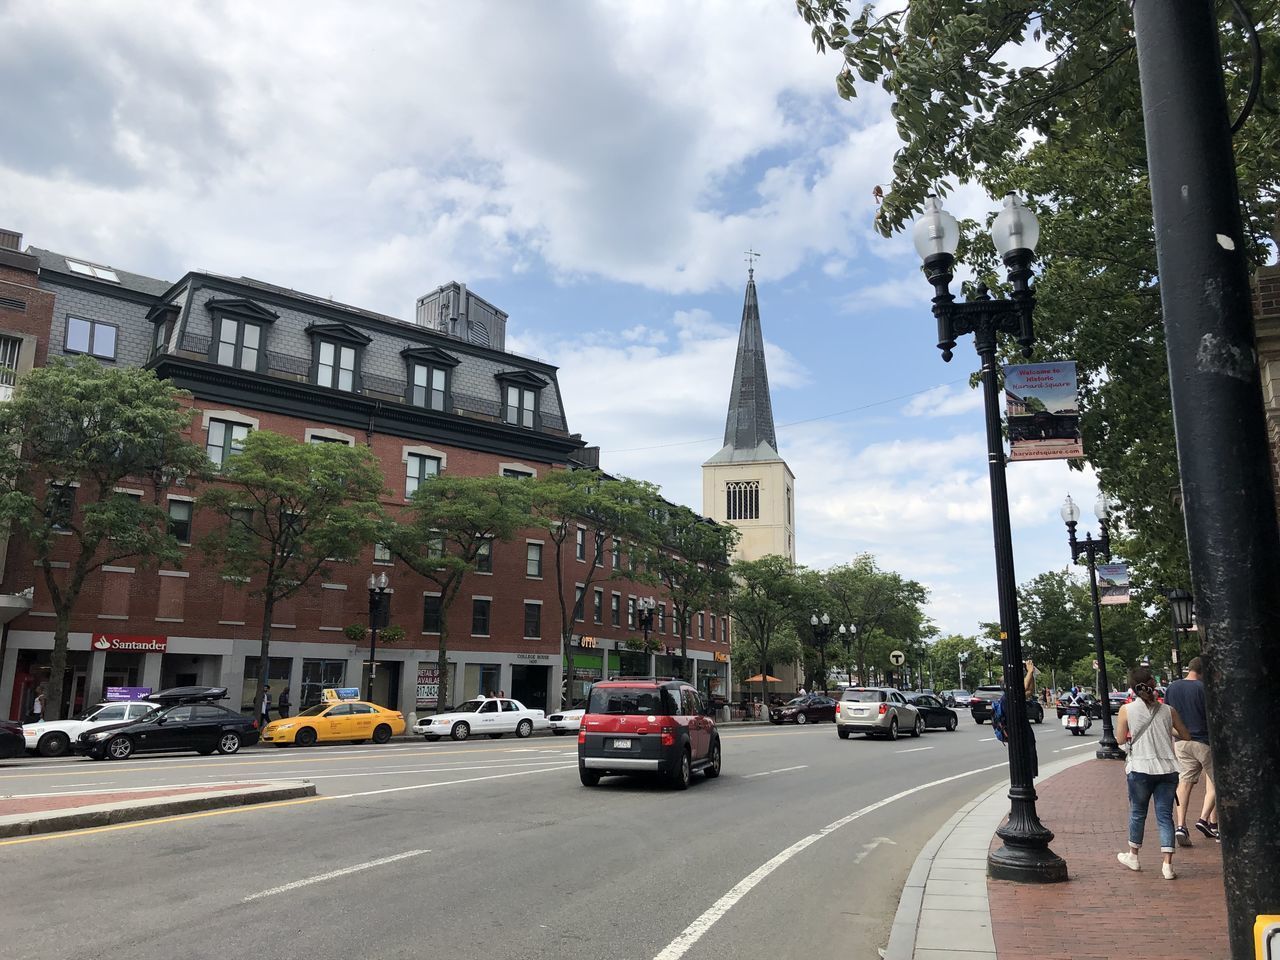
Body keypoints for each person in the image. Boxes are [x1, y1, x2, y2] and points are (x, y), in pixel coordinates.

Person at [1115, 666, 1192, 879]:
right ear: (1153, 685)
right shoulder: (1168, 711)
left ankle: (1134, 856)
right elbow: (1185, 735)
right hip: (1168, 770)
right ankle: (1167, 865)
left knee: (1138, 813)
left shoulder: (1126, 710)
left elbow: (1120, 740)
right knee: (1165, 816)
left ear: (1132, 687)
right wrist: (1168, 729)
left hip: (1140, 768)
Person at [1163, 657, 1217, 843]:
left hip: (1181, 742)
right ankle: (1204, 819)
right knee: (1218, 782)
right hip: (1203, 740)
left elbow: (1167, 714)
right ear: (1203, 672)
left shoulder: (1172, 688)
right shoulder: (1204, 689)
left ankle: (1181, 825)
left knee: (1184, 783)